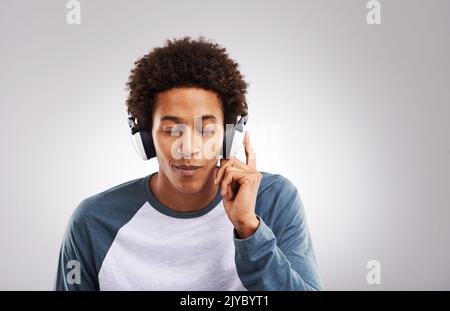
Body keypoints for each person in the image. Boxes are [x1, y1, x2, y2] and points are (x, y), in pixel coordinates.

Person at [54, 36, 323, 291]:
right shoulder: (93, 221)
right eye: (171, 130)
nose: (188, 149)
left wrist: (249, 229)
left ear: (229, 135)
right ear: (146, 137)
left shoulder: (273, 199)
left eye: (206, 130)